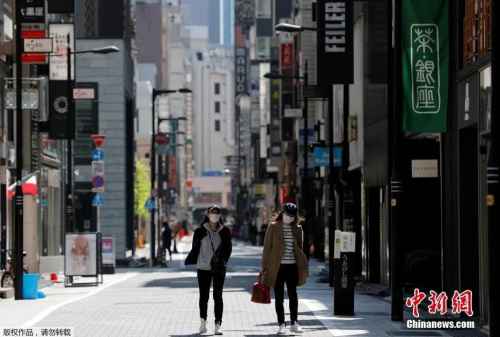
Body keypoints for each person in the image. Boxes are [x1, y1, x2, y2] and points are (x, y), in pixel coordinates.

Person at [261, 202, 309, 335]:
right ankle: (281, 324)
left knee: (293, 295)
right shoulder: (273, 227)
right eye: (287, 215)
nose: (289, 218)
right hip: (277, 267)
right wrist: (264, 267)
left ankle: (294, 323)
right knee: (279, 296)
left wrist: (303, 266)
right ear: (283, 213)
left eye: (292, 216)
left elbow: (300, 249)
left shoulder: (298, 229)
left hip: (292, 266)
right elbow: (267, 248)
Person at [185, 205, 232, 335]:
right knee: (203, 296)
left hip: (219, 268)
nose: (214, 215)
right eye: (212, 213)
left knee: (218, 296)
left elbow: (228, 249)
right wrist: (192, 259)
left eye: (217, 213)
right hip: (203, 267)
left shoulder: (225, 231)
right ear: (207, 214)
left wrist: (223, 261)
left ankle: (218, 325)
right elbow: (195, 248)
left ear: (220, 215)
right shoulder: (200, 231)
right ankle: (203, 323)